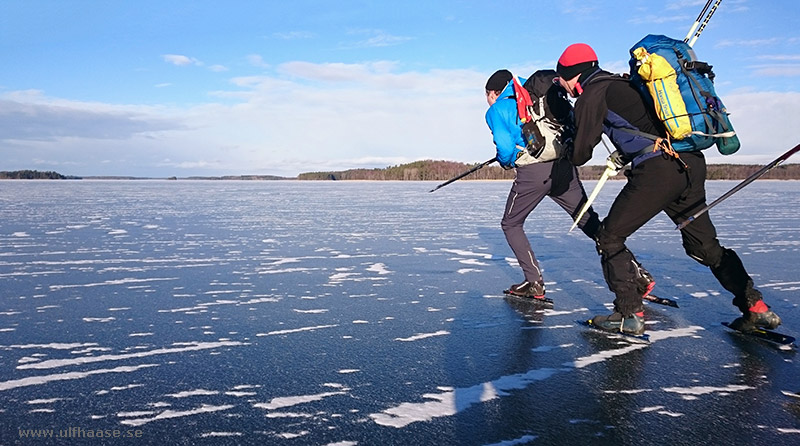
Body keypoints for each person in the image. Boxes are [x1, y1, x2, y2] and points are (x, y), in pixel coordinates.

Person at [554, 43, 782, 335]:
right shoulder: (626, 82)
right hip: (689, 163)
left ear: (572, 74)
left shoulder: (592, 94)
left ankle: (628, 314)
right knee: (704, 247)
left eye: (562, 80)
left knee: (609, 238)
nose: (563, 86)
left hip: (658, 172)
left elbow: (580, 155)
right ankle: (755, 307)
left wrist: (569, 143)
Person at [485, 69, 640, 301]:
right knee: (588, 220)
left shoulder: (497, 109)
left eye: (486, 95)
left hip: (533, 173)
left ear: (493, 93)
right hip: (564, 167)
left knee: (511, 223)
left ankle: (534, 282)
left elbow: (506, 148)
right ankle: (637, 274)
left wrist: (505, 161)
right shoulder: (542, 94)